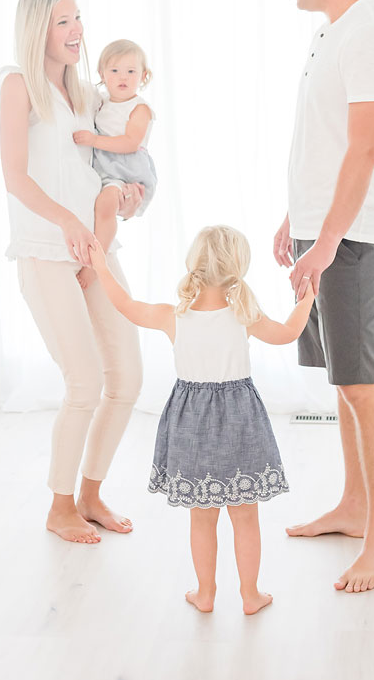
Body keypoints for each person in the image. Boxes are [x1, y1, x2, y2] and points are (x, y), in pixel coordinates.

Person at [272, 0, 374, 593]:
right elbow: (328, 142)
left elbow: (365, 148)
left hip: (353, 239)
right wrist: (294, 218)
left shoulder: (371, 34)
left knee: (363, 383)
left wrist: (325, 242)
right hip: (325, 231)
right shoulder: (332, 34)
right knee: (342, 383)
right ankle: (354, 507)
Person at [88, 226, 314, 614]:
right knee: (245, 516)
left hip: (190, 423)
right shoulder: (246, 315)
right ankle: (250, 595)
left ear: (194, 265)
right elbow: (290, 332)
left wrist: (99, 266)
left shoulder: (172, 316)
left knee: (202, 518)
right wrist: (306, 297)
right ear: (236, 268)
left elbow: (124, 304)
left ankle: (205, 594)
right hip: (241, 420)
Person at [0, 0, 146, 545]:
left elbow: (100, 168)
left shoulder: (87, 93)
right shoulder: (17, 85)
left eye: (78, 17)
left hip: (93, 247)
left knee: (126, 379)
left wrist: (122, 199)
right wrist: (68, 222)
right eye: (63, 21)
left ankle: (90, 494)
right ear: (39, 28)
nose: (77, 29)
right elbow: (15, 175)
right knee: (83, 382)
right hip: (45, 250)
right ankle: (60, 507)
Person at [73, 39, 158, 289]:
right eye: (114, 71)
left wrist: (94, 140)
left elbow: (131, 142)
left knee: (106, 205)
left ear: (143, 76)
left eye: (131, 71)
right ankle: (95, 254)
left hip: (126, 169)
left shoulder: (139, 108)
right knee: (98, 205)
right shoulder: (102, 101)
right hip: (105, 166)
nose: (123, 77)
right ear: (102, 75)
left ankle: (96, 265)